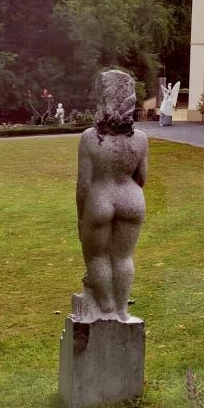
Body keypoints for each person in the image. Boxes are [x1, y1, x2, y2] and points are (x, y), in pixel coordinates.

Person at [76, 70, 147, 322]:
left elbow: (84, 184)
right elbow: (142, 178)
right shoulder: (140, 139)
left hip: (100, 198)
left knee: (96, 255)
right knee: (123, 256)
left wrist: (81, 217)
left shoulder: (90, 139)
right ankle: (122, 310)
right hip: (132, 198)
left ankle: (105, 306)